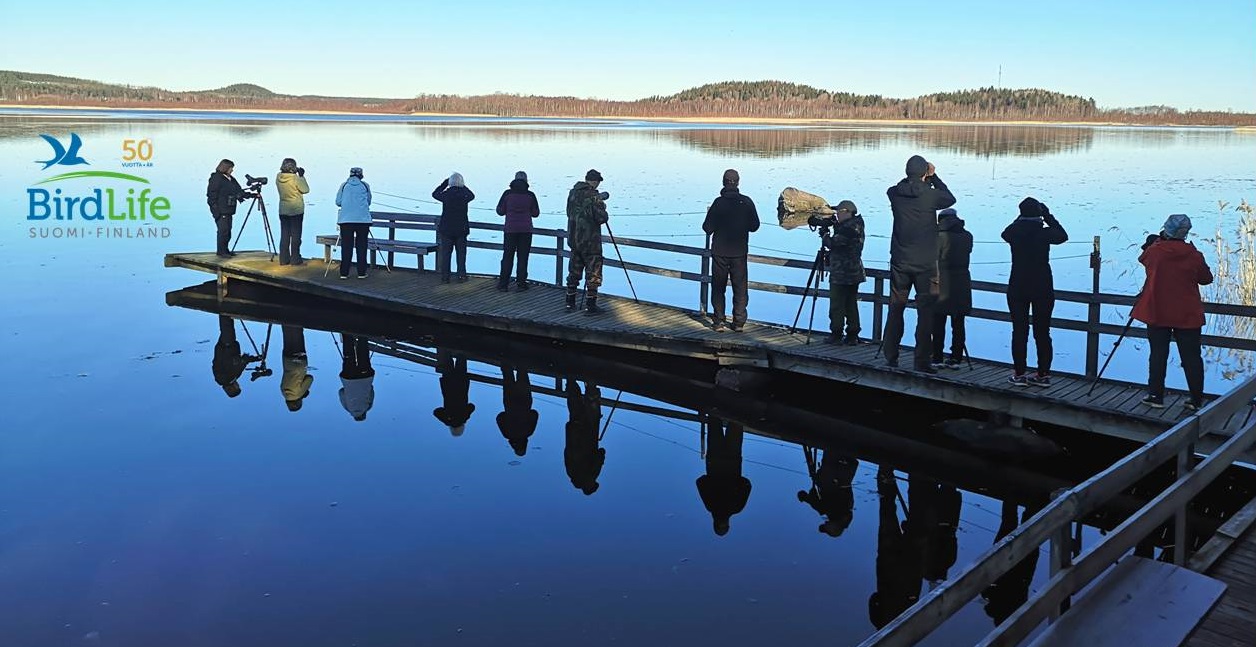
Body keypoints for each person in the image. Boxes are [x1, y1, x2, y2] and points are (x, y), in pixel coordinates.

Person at [1132, 214, 1213, 410]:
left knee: (1158, 354)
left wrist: (1156, 241)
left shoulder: (1156, 251)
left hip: (1158, 310)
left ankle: (1155, 395)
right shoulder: (1194, 255)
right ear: (1186, 232)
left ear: (1166, 229)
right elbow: (1206, 279)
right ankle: (1196, 399)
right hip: (1187, 313)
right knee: (1192, 357)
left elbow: (1143, 259)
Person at [884, 155, 956, 372]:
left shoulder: (894, 194)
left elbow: (898, 186)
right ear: (925, 173)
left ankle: (891, 356)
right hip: (925, 263)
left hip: (900, 260)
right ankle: (922, 361)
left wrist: (917, 176)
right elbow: (950, 198)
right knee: (925, 314)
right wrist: (934, 177)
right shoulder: (930, 196)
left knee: (896, 308)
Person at [1002, 197, 1068, 386]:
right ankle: (1043, 374)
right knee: (1043, 332)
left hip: (1018, 285)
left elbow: (1004, 233)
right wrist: (1047, 215)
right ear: (1038, 214)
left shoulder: (1014, 231)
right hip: (1042, 286)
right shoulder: (1044, 233)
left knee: (1019, 331)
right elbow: (1063, 236)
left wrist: (1022, 217)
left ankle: (1019, 374)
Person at [701, 169, 761, 332]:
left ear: (723, 182)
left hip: (720, 252)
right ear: (738, 182)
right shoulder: (746, 202)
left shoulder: (718, 203)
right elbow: (755, 226)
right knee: (740, 287)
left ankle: (719, 321)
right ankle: (739, 322)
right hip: (739, 252)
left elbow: (707, 228)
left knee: (718, 287)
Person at [696, 415, 752, 536]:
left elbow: (747, 484)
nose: (723, 522)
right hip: (720, 459)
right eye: (724, 525)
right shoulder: (732, 507)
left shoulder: (732, 507)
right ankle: (733, 400)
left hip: (728, 459)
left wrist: (734, 479)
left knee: (725, 420)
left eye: (720, 525)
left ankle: (732, 400)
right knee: (727, 420)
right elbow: (701, 481)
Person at [932, 208, 974, 368]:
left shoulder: (939, 237)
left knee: (938, 319)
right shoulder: (967, 236)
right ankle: (956, 358)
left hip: (941, 279)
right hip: (962, 281)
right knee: (958, 321)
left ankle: (936, 357)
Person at [565, 169, 610, 313]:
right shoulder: (594, 196)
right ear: (595, 182)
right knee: (594, 274)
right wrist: (602, 207)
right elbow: (602, 218)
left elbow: (568, 213)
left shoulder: (572, 193)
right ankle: (591, 306)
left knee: (574, 272)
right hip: (591, 242)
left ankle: (569, 303)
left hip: (574, 240)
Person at [822, 200, 865, 345]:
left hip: (842, 272)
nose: (837, 215)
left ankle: (836, 333)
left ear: (847, 212)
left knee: (837, 304)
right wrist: (834, 224)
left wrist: (824, 235)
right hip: (854, 271)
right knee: (850, 303)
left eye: (839, 212)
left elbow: (833, 243)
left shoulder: (849, 228)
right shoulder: (856, 224)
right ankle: (852, 334)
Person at [495, 171, 541, 291]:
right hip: (526, 230)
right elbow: (536, 213)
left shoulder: (507, 194)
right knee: (523, 257)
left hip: (510, 229)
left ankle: (503, 284)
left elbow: (500, 211)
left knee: (507, 256)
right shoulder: (530, 195)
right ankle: (521, 284)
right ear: (526, 181)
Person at [797, 449, 858, 537]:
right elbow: (822, 505)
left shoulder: (840, 515)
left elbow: (819, 504)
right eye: (827, 529)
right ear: (834, 528)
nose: (825, 524)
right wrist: (806, 498)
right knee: (831, 450)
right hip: (835, 475)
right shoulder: (839, 514)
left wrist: (808, 498)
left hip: (840, 472)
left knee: (830, 454)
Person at [564, 379, 605, 495]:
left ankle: (590, 380)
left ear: (590, 486)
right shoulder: (571, 473)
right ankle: (571, 376)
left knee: (591, 402)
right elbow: (567, 452)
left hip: (589, 433)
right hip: (574, 431)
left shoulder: (592, 474)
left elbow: (600, 454)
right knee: (574, 402)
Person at [433, 172, 475, 283]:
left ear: (450, 183)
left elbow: (435, 193)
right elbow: (472, 195)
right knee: (461, 254)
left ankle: (445, 277)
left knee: (446, 253)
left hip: (447, 229)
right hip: (461, 229)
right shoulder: (464, 195)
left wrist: (445, 183)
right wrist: (462, 185)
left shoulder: (446, 195)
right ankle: (461, 275)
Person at [335, 167, 372, 279]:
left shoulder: (344, 185)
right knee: (362, 246)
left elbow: (338, 202)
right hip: (363, 221)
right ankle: (361, 272)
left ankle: (344, 273)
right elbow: (368, 201)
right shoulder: (365, 185)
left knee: (346, 246)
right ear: (361, 175)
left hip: (346, 221)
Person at [206, 158, 246, 257]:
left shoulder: (231, 179)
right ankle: (221, 251)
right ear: (225, 168)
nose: (232, 170)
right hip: (221, 210)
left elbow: (238, 191)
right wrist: (216, 211)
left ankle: (225, 250)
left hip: (229, 210)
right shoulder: (216, 178)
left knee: (228, 231)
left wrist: (248, 195)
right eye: (231, 168)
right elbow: (211, 196)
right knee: (223, 231)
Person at [496, 366, 539, 456]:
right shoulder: (507, 434)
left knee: (522, 375)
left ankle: (521, 359)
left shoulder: (528, 432)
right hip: (509, 403)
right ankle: (505, 358)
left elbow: (534, 414)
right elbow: (499, 417)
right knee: (508, 377)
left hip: (525, 403)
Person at [275, 158, 310, 265]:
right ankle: (295, 258)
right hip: (296, 210)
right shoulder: (295, 178)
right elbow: (305, 190)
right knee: (296, 235)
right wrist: (302, 176)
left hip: (283, 209)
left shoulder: (278, 177)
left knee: (284, 235)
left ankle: (284, 259)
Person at [433, 349, 475, 436]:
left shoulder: (464, 417)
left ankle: (461, 347)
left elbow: (472, 406)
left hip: (461, 387)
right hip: (448, 387)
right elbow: (436, 412)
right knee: (448, 364)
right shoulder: (447, 419)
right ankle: (447, 348)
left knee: (461, 363)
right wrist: (446, 420)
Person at [338, 333, 375, 422]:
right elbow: (341, 392)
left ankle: (363, 335)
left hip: (366, 377)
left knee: (364, 355)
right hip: (348, 378)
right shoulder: (347, 408)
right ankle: (346, 334)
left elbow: (371, 391)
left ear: (364, 415)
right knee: (348, 355)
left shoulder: (368, 407)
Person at [212, 315, 251, 398]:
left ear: (232, 389)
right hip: (229, 346)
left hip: (226, 347)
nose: (238, 385)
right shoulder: (234, 377)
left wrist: (242, 360)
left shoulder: (222, 379)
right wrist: (253, 359)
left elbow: (230, 362)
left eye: (237, 387)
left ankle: (223, 307)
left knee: (227, 327)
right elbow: (242, 364)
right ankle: (226, 310)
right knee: (228, 328)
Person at [280, 325, 313, 412]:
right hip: (287, 361)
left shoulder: (298, 394)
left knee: (298, 334)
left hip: (299, 364)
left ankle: (297, 316)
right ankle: (285, 316)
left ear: (298, 403)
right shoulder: (283, 392)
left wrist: (304, 392)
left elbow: (309, 378)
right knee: (288, 336)